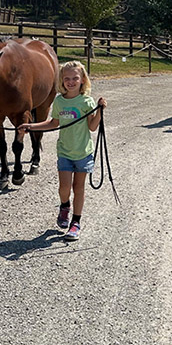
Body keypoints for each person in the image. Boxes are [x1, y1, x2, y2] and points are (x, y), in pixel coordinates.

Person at [17, 60, 106, 242]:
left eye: (75, 78)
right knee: (64, 187)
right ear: (62, 80)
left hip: (83, 153)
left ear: (82, 80)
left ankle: (76, 222)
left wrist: (100, 111)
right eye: (67, 78)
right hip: (65, 151)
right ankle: (64, 206)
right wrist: (31, 126)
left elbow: (92, 127)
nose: (71, 81)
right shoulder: (58, 101)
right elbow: (53, 123)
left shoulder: (86, 101)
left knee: (78, 188)